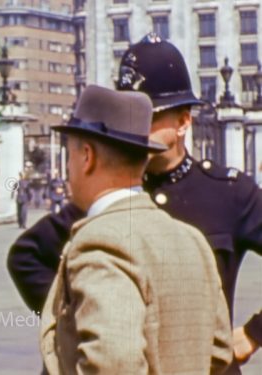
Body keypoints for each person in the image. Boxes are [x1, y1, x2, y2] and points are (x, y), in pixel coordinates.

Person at [9, 33, 262, 372]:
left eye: (150, 117)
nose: (137, 129)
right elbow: (26, 257)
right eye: (129, 115)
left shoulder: (228, 193)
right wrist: (80, 316)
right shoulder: (107, 193)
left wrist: (254, 333)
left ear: (184, 120)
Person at [40, 84, 232, 373]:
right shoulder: (192, 240)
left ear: (87, 157)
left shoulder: (100, 243)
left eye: (69, 156)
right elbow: (218, 351)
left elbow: (114, 363)